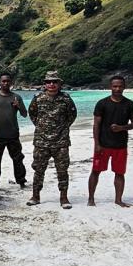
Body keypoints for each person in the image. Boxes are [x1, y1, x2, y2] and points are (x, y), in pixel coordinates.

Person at [27, 71, 77, 208]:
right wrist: (43, 128)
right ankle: (35, 196)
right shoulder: (37, 98)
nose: (51, 84)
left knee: (62, 170)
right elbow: (33, 115)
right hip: (41, 141)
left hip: (61, 141)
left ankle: (64, 198)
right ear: (45, 84)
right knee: (38, 170)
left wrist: (61, 129)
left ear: (59, 84)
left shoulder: (66, 99)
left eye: (54, 82)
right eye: (48, 82)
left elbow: (72, 116)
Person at [88, 75, 133, 207]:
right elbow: (96, 125)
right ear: (110, 87)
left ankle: (118, 199)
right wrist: (97, 144)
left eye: (120, 86)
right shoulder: (102, 103)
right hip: (103, 145)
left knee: (120, 173)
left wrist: (122, 127)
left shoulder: (129, 104)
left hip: (121, 145)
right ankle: (91, 199)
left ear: (124, 87)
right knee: (95, 171)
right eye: (115, 86)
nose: (117, 88)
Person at [0, 73, 28, 190]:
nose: (5, 83)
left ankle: (21, 181)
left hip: (13, 135)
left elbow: (25, 114)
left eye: (8, 81)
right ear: (0, 82)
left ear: (11, 83)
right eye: (3, 81)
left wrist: (18, 106)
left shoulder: (16, 97)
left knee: (18, 159)